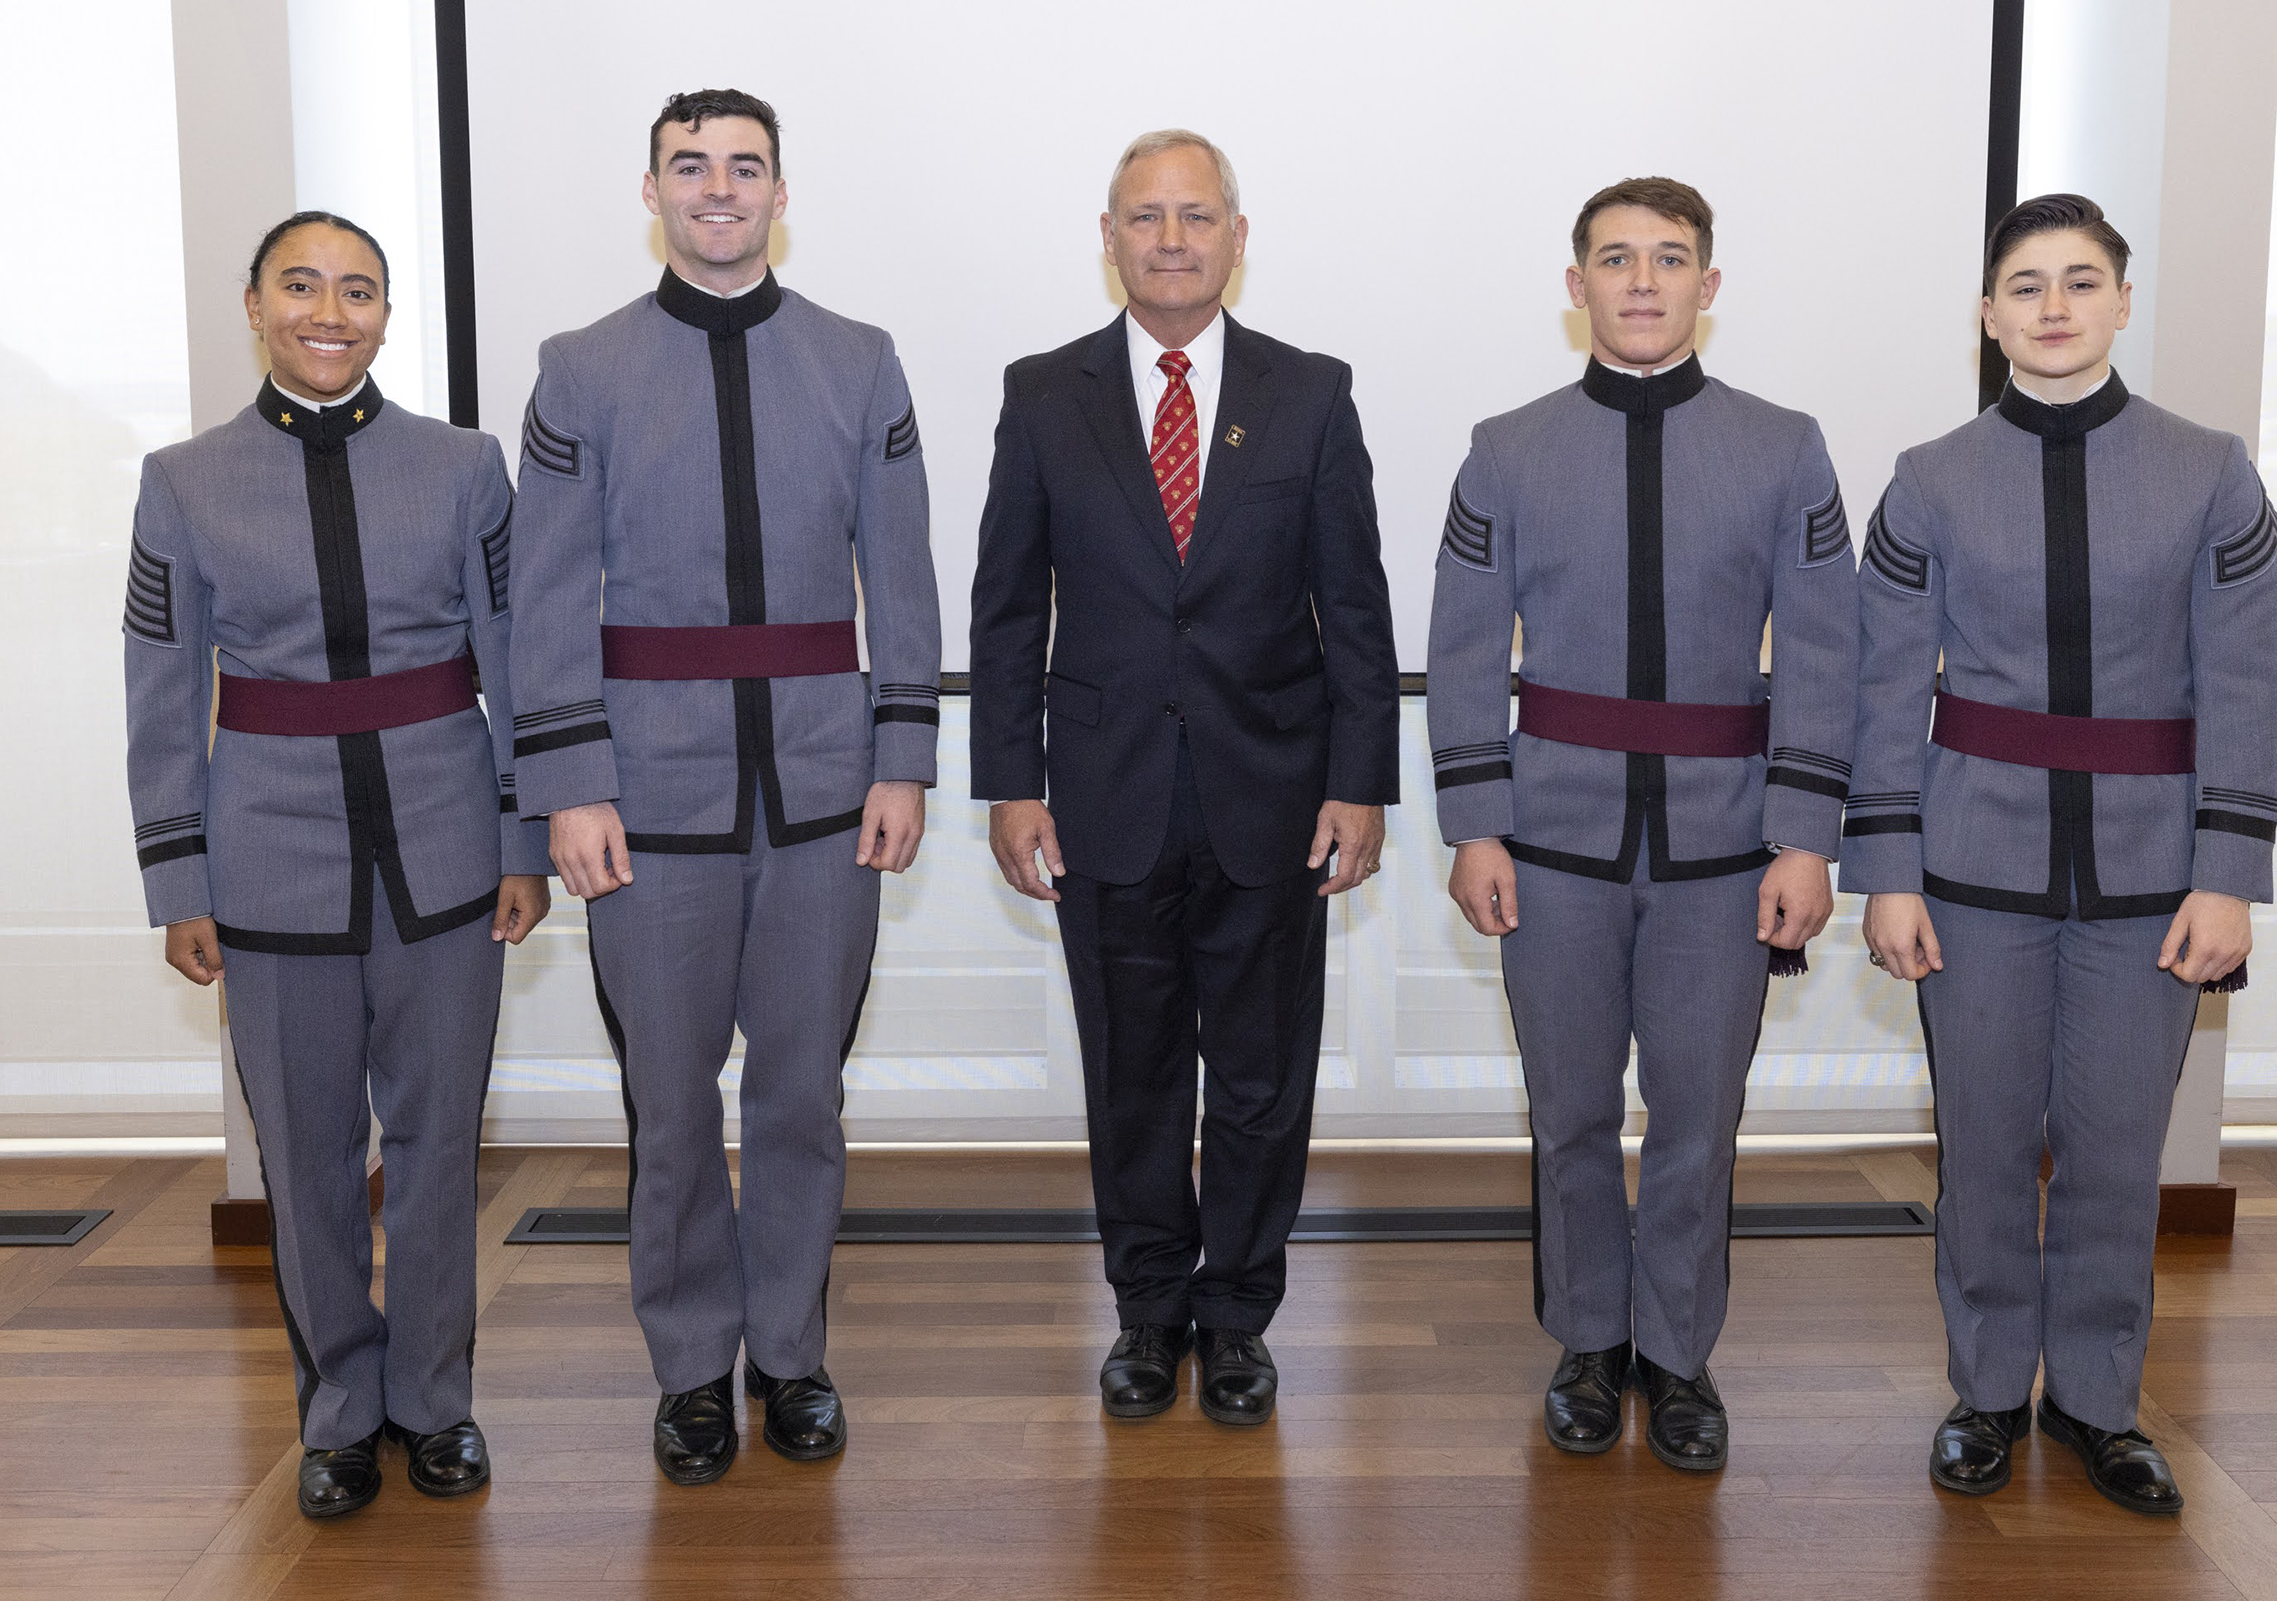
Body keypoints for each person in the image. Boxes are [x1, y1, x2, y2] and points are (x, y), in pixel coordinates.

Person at [508, 88, 940, 1485]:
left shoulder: (861, 361)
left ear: (778, 193)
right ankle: (694, 1367)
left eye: (744, 167)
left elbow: (906, 577)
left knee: (804, 1093)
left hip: (825, 793)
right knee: (675, 1103)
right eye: (691, 166)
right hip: (644, 802)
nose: (718, 187)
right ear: (652, 191)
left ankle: (793, 1352)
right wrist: (567, 782)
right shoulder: (577, 370)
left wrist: (906, 759)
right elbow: (548, 596)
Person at [1847, 193, 2277, 1514]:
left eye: (2080, 281)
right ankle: (1985, 1393)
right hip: (1972, 869)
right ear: (1988, 316)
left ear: (2122, 303)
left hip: (2157, 883)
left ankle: (2098, 1401)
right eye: (2025, 284)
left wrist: (2230, 872)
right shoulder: (1927, 478)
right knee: (1982, 1144)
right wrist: (1888, 868)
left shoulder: (2212, 469)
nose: (2052, 305)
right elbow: (1880, 686)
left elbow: (2246, 681)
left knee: (2111, 1148)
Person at [122, 212, 550, 1518]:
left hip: (448, 848)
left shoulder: (469, 467)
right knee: (307, 1152)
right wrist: (177, 876)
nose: (331, 309)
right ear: (254, 304)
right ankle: (340, 1412)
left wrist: (525, 835)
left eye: (358, 290)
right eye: (302, 285)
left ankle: (435, 1402)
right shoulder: (181, 480)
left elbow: (519, 659)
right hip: (267, 862)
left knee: (432, 1144)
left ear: (385, 313)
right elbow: (159, 687)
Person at [1426, 178, 1858, 1470]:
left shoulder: (1787, 446)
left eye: (1671, 259)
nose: (1643, 280)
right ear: (1577, 289)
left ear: (1709, 286)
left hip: (1727, 852)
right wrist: (1475, 824)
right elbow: (1459, 650)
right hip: (1550, 844)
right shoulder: (1505, 446)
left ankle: (1676, 1354)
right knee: (1565, 1112)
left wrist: (1805, 835)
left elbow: (1826, 654)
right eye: (1615, 259)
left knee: (1694, 1113)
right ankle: (1587, 1338)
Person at [970, 129, 1399, 1426]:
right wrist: (1009, 780)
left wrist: (1362, 780)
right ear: (1108, 236)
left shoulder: (1311, 393)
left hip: (1274, 793)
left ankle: (1239, 1314)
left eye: (1195, 215)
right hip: (1103, 796)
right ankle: (1150, 1311)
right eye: (1145, 217)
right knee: (1136, 1069)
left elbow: (1356, 608)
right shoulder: (1044, 393)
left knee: (1264, 1076)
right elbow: (1006, 608)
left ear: (1236, 236)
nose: (1171, 238)